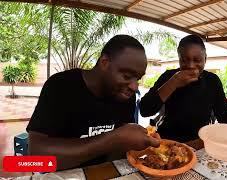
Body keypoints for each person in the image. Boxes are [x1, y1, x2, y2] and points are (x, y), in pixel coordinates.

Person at [26, 35, 160, 170]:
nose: (134, 87)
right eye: (126, 76)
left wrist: (141, 142)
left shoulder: (125, 96)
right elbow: (35, 157)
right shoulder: (61, 86)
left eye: (137, 78)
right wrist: (113, 139)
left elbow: (120, 151)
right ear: (104, 62)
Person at [139, 35, 227, 142]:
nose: (191, 65)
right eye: (184, 60)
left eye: (197, 60)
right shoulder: (169, 77)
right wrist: (174, 82)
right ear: (179, 59)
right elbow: (145, 110)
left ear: (205, 59)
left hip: (199, 142)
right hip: (167, 142)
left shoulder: (212, 81)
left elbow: (225, 115)